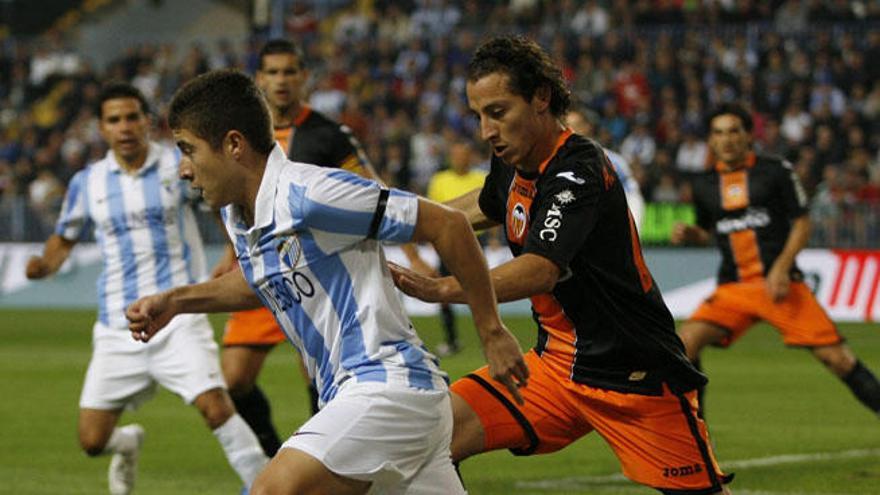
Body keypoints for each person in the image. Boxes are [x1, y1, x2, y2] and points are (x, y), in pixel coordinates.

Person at [126, 69, 528, 495]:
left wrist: (492, 331)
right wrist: (176, 300)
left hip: (385, 387)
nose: (183, 170)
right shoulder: (240, 213)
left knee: (271, 491)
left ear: (233, 145)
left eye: (188, 151)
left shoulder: (311, 193)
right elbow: (259, 279)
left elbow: (448, 225)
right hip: (375, 401)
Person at [389, 35, 732, 494]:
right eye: (478, 116)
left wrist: (445, 289)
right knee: (426, 438)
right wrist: (402, 220)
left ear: (540, 98)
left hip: (633, 374)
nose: (486, 131)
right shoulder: (511, 162)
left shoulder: (578, 169)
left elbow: (540, 268)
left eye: (498, 112)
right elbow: (478, 207)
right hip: (552, 369)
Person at [25, 82, 267, 495]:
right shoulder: (89, 182)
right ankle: (128, 443)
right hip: (117, 326)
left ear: (146, 120)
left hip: (177, 317)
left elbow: (219, 203)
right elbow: (64, 238)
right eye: (114, 119)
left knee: (215, 408)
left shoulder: (179, 164)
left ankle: (267, 486)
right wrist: (44, 264)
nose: (125, 127)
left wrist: (232, 249)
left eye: (132, 117)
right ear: (101, 128)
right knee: (92, 441)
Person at [216, 38, 431, 457]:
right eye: (273, 72)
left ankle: (328, 462)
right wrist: (229, 255)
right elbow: (230, 199)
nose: (281, 80)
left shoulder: (328, 134)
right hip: (260, 269)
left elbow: (376, 194)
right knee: (235, 379)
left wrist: (412, 253)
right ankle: (272, 456)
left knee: (320, 378)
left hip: (313, 272)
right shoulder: (240, 137)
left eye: (289, 71)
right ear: (259, 79)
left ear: (304, 77)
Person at [671, 102, 880, 417]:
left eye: (733, 131)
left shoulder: (775, 171)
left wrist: (782, 267)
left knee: (838, 360)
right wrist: (691, 235)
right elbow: (708, 231)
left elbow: (802, 222)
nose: (726, 140)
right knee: (683, 346)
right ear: (711, 140)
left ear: (748, 136)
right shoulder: (704, 184)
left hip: (781, 286)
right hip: (734, 289)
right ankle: (696, 442)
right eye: (718, 133)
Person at [425, 139, 488, 357]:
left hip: (475, 242)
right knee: (444, 292)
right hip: (447, 242)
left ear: (470, 156)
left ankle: (490, 337)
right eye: (456, 154)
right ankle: (451, 340)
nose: (459, 158)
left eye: (463, 154)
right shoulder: (439, 180)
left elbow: (492, 210)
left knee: (481, 291)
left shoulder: (480, 178)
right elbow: (431, 212)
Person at [565, 106, 646, 231]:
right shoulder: (559, 162)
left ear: (588, 127)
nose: (572, 131)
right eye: (568, 127)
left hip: (613, 219)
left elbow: (632, 194)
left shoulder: (611, 160)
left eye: (576, 126)